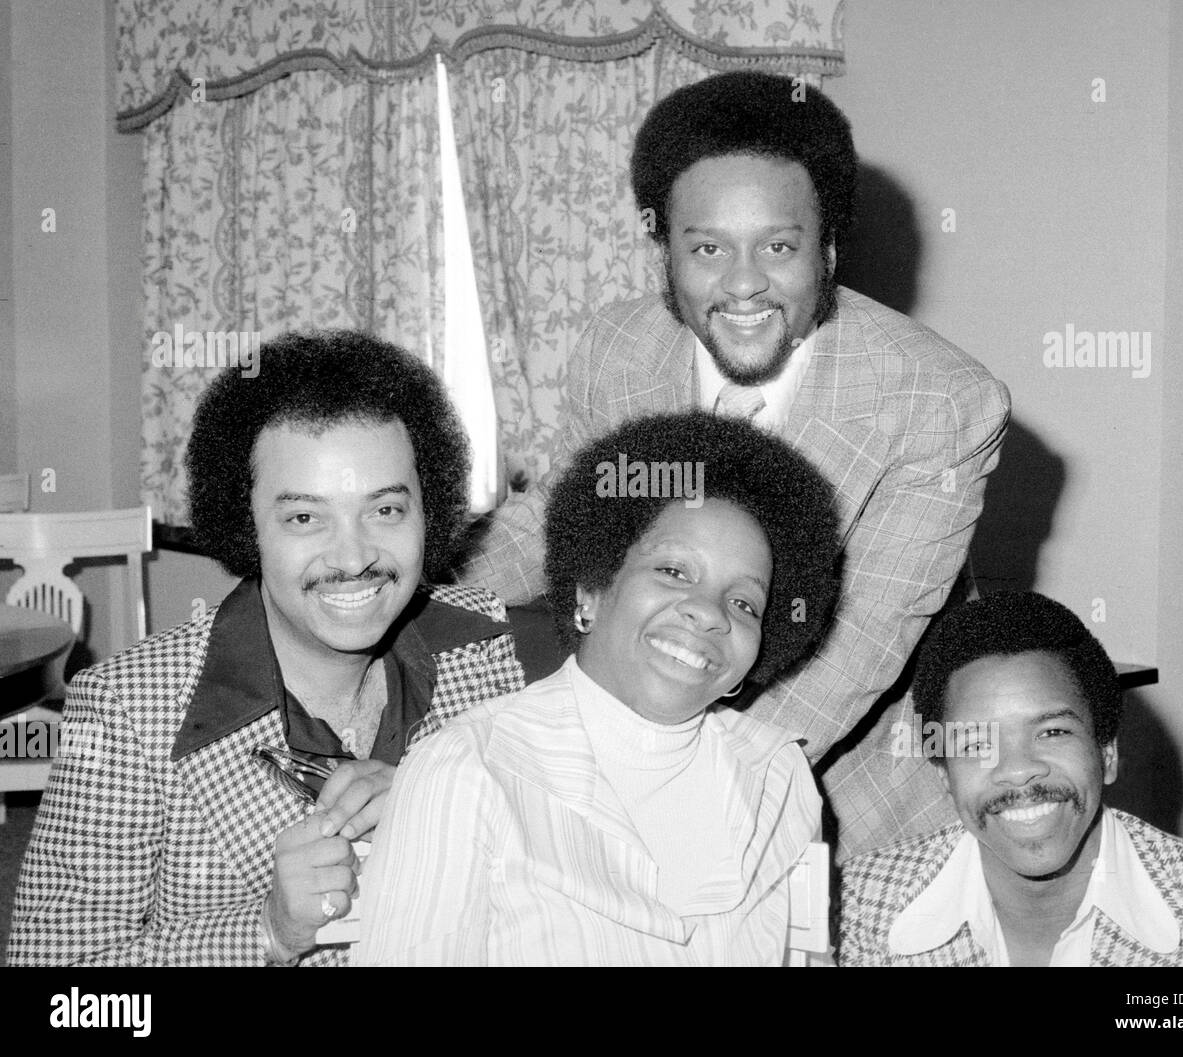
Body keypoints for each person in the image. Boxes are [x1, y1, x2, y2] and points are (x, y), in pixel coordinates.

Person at [455, 71, 1011, 859]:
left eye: (778, 247)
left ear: (829, 247)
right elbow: (561, 517)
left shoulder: (939, 401)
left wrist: (644, 782)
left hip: (857, 805)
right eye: (707, 248)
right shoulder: (617, 350)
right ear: (664, 248)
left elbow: (854, 649)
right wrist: (416, 590)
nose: (743, 284)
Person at [7, 330, 526, 966]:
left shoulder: (487, 647)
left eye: (386, 509)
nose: (354, 557)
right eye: (305, 518)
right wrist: (268, 934)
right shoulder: (125, 712)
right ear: (245, 524)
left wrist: (451, 816)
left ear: (429, 509)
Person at [360, 410, 842, 965]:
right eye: (675, 572)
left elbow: (808, 958)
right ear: (591, 588)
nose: (709, 614)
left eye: (743, 603)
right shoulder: (467, 768)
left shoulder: (781, 778)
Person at [839, 592, 1183, 966]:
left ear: (1106, 752)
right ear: (944, 776)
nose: (1017, 769)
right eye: (975, 744)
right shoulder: (865, 904)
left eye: (1052, 732)